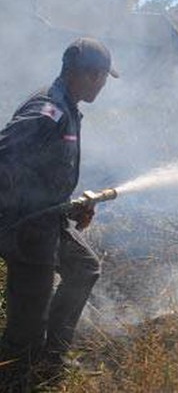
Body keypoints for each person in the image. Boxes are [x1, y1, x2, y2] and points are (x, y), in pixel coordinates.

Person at [0, 37, 118, 389]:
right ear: (91, 75)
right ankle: (17, 376)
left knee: (83, 267)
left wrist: (71, 204)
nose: (103, 86)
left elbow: (45, 167)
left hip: (46, 221)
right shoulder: (47, 110)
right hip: (27, 231)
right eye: (102, 79)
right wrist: (17, 213)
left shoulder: (66, 107)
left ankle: (52, 357)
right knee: (24, 332)